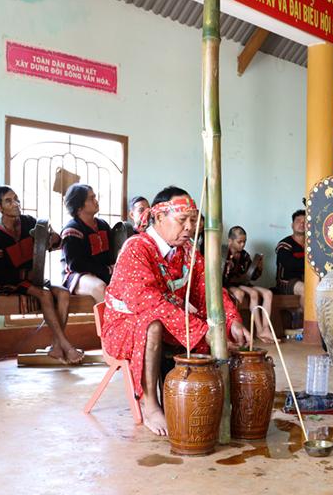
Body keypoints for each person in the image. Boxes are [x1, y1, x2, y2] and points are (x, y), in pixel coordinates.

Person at [100, 186, 251, 435]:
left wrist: (232, 320)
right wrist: (203, 333)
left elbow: (209, 289)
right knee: (153, 322)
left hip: (170, 321)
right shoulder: (135, 248)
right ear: (159, 218)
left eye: (193, 220)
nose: (189, 227)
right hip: (124, 328)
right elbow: (149, 303)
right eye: (182, 220)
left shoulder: (188, 250)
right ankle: (149, 404)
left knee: (214, 322)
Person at [0, 186, 84, 364]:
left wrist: (53, 238)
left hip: (35, 280)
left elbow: (55, 244)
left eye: (16, 199)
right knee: (44, 294)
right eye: (9, 201)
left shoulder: (30, 222)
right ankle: (66, 345)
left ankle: (56, 346)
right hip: (11, 283)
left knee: (64, 294)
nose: (16, 204)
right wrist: (24, 275)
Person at [60, 183, 113, 303]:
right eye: (91, 198)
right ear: (79, 206)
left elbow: (110, 254)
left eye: (95, 197)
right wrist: (106, 269)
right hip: (76, 275)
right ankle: (109, 322)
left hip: (102, 271)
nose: (96, 201)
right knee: (100, 288)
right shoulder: (71, 230)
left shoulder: (103, 225)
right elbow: (75, 264)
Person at [224, 226, 274, 344]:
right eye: (239, 242)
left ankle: (265, 329)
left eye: (244, 241)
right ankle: (253, 330)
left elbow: (251, 277)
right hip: (228, 284)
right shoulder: (223, 253)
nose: (242, 245)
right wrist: (226, 267)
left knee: (268, 293)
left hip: (242, 283)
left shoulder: (245, 255)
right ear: (230, 241)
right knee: (252, 294)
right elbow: (221, 278)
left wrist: (259, 267)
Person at [275, 209, 306, 296]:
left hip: (307, 280)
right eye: (298, 221)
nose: (302, 224)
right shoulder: (284, 244)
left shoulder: (313, 245)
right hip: (286, 282)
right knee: (306, 289)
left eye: (305, 221)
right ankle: (302, 310)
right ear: (292, 225)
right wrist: (309, 262)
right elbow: (290, 265)